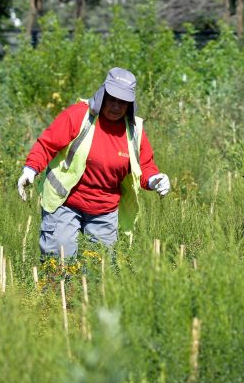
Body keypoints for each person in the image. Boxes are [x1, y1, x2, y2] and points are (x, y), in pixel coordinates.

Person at [17, 67, 170, 258]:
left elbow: (145, 165)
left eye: (122, 102)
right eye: (112, 99)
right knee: (60, 262)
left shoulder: (134, 130)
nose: (116, 106)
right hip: (65, 201)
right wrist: (30, 169)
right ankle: (57, 287)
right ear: (102, 94)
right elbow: (46, 145)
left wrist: (154, 179)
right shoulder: (79, 116)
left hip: (104, 209)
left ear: (130, 104)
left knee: (100, 270)